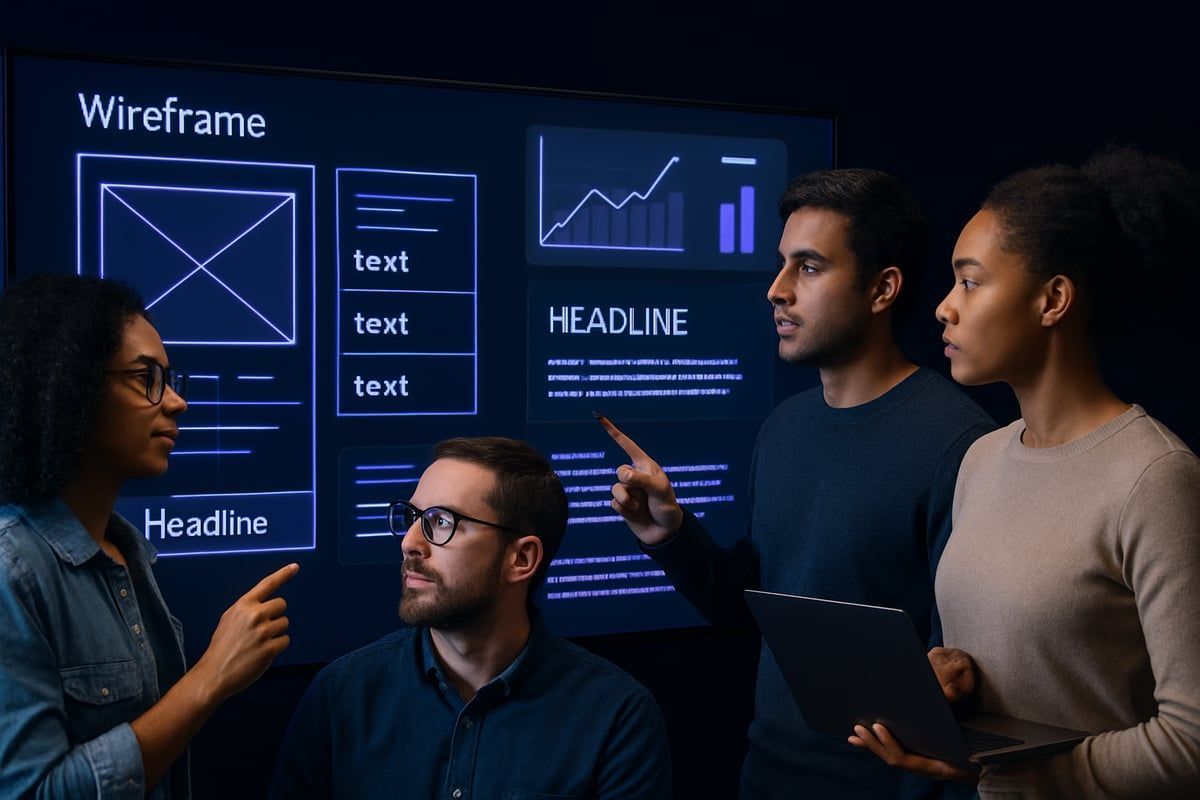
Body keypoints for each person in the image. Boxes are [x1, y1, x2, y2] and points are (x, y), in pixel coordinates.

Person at [602, 168, 994, 798]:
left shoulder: (962, 445)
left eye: (808, 268)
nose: (776, 291)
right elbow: (752, 611)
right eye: (782, 265)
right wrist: (670, 536)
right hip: (767, 778)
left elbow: (963, 676)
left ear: (882, 288)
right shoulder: (783, 429)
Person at [849, 148, 1200, 798]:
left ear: (1053, 299)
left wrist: (1020, 774)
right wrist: (950, 681)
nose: (944, 308)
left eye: (971, 281)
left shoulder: (1156, 478)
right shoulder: (981, 458)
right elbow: (1026, 664)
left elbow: (1192, 740)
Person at [0, 274, 298, 799]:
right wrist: (210, 678)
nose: (176, 402)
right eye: (146, 378)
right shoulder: (11, 569)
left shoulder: (127, 551)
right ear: (70, 386)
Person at [269, 436, 672, 799]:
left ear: (521, 558)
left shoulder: (616, 716)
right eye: (412, 518)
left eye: (441, 522)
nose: (410, 543)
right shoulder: (342, 694)